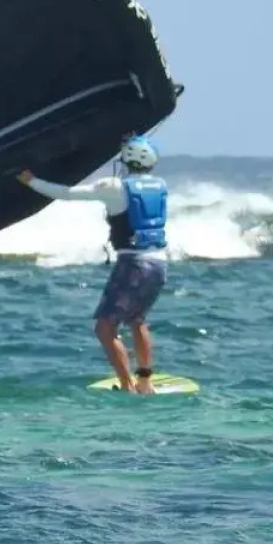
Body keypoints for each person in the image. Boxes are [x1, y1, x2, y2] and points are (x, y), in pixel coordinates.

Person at [16, 134, 168, 394]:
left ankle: (126, 386)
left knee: (105, 327)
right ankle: (145, 381)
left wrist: (32, 181)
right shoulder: (160, 185)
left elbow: (66, 194)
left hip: (133, 264)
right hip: (160, 263)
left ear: (127, 158)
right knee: (137, 320)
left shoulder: (113, 186)